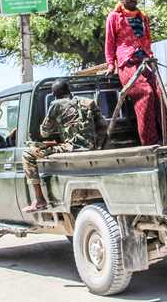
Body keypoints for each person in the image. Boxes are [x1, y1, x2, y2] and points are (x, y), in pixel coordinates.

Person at [23, 79, 107, 212]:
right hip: (90, 147)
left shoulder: (56, 104)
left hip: (71, 148)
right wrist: (97, 146)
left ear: (54, 94)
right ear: (69, 90)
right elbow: (102, 127)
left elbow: (44, 132)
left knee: (27, 154)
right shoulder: (88, 102)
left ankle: (39, 200)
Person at [105, 0, 167, 146]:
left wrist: (150, 55)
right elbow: (109, 42)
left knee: (160, 94)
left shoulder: (143, 17)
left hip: (145, 61)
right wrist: (110, 65)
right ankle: (150, 141)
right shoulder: (114, 17)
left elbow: (147, 39)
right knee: (146, 93)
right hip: (127, 63)